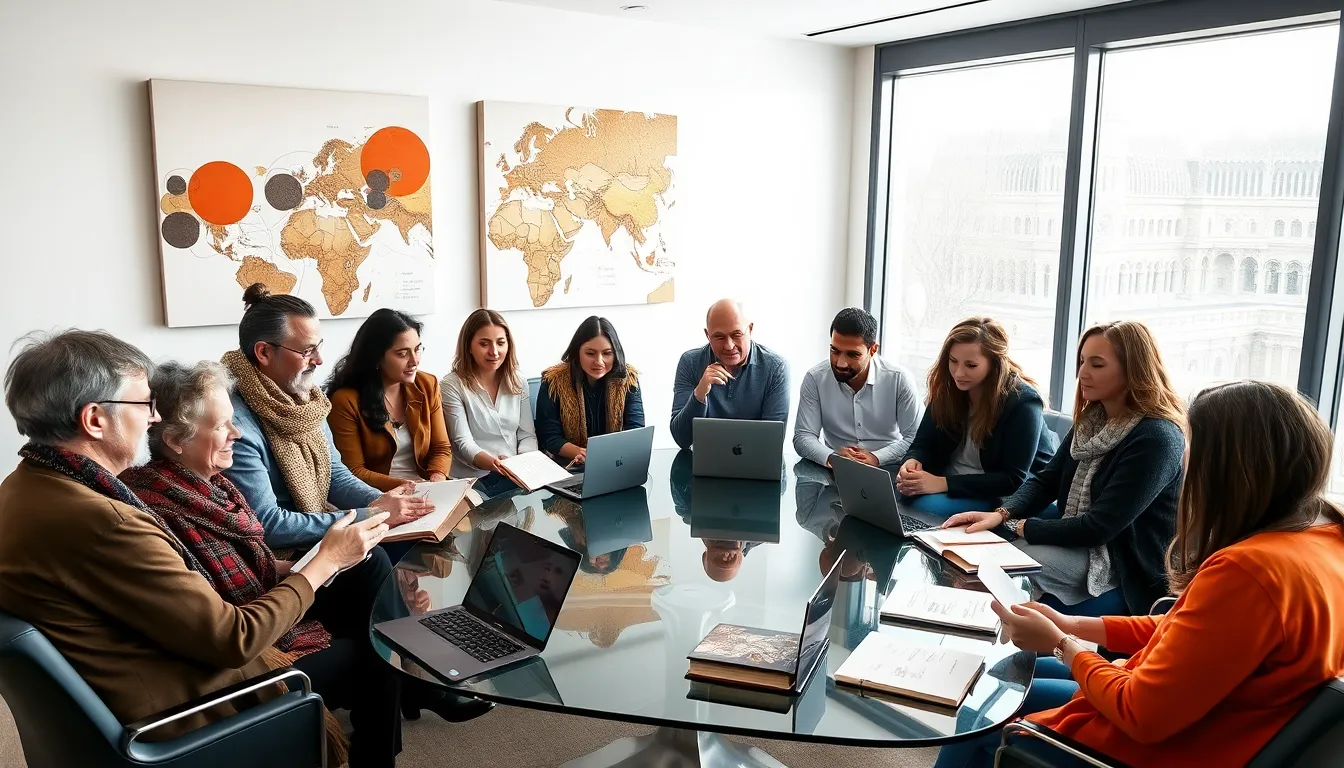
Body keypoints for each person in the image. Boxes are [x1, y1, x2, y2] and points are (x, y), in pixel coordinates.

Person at [0, 331, 396, 765]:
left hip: (122, 686)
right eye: (143, 405)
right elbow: (234, 640)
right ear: (95, 420)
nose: (154, 419)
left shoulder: (23, 488)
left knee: (365, 581)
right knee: (370, 654)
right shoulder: (106, 521)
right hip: (180, 709)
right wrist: (325, 561)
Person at [935, 381, 1344, 768]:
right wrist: (1071, 625)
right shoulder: (1326, 539)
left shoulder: (1248, 572)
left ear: (1225, 470)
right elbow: (1188, 630)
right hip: (1214, 722)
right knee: (1016, 673)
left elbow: (1141, 713)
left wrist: (1061, 644)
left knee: (981, 711)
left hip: (1155, 746)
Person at [121, 361, 493, 730]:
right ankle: (405, 689)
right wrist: (328, 558)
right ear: (174, 440)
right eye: (221, 426)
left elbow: (257, 561)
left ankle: (413, 675)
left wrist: (371, 524)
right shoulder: (160, 508)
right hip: (249, 651)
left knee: (371, 564)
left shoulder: (212, 483)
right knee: (374, 650)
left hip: (264, 595)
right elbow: (231, 612)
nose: (235, 432)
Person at [944, 321, 1185, 617]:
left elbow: (1099, 528)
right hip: (1085, 545)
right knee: (980, 560)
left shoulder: (1157, 438)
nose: (1082, 373)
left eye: (1096, 365)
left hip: (1122, 562)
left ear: (1133, 370)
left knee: (998, 566)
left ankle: (983, 641)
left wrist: (1017, 526)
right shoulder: (1092, 420)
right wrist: (1001, 514)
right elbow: (1046, 481)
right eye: (1082, 361)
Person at [222, 284, 432, 551]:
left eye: (318, 347)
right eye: (307, 351)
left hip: (319, 527)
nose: (319, 360)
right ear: (264, 353)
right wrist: (371, 514)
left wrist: (384, 503)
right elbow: (268, 525)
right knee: (381, 558)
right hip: (280, 554)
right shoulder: (234, 425)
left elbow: (335, 475)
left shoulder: (309, 402)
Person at [896, 317, 1057, 518]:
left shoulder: (1023, 401)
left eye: (971, 365)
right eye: (953, 361)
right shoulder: (948, 390)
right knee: (902, 494)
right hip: (953, 478)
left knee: (926, 507)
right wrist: (912, 462)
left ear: (994, 364)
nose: (958, 373)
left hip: (1005, 488)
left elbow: (1012, 478)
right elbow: (922, 444)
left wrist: (940, 484)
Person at [326, 308, 453, 491]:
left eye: (417, 350)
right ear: (376, 357)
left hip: (427, 488)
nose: (414, 361)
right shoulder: (346, 401)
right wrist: (410, 486)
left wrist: (437, 478)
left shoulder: (427, 384)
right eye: (402, 354)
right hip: (378, 495)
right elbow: (354, 471)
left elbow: (441, 447)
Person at [793, 307, 922, 469]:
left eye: (852, 355)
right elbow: (803, 436)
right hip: (835, 471)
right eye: (834, 350)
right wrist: (833, 458)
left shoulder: (899, 379)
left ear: (873, 350)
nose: (840, 363)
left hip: (888, 469)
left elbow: (916, 439)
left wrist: (876, 458)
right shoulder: (815, 378)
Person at [442, 308, 537, 498]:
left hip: (515, 472)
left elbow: (527, 435)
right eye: (484, 344)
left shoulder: (517, 380)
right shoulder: (451, 385)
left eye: (500, 343)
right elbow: (462, 442)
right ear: (469, 346)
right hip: (473, 480)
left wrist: (519, 463)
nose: (494, 352)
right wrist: (496, 463)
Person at [669, 299, 790, 449]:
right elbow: (682, 439)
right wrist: (699, 394)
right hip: (705, 462)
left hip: (756, 464)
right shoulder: (690, 363)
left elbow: (772, 442)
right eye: (719, 337)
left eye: (736, 334)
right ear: (708, 335)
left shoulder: (775, 368)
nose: (729, 345)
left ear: (750, 330)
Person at [536, 316, 645, 464]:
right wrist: (582, 453)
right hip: (567, 465)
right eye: (590, 353)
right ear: (577, 351)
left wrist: (602, 457)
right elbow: (549, 437)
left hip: (615, 462)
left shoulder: (628, 379)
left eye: (607, 353)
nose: (599, 362)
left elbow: (636, 430)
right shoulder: (553, 381)